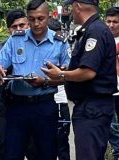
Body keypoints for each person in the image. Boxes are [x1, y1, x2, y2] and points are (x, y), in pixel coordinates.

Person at [0, 0, 70, 159]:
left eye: (41, 18)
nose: (36, 23)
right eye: (31, 19)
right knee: (11, 153)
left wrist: (45, 81)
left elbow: (68, 77)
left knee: (45, 153)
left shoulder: (60, 43)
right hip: (17, 107)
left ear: (48, 16)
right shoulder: (16, 40)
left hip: (45, 106)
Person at [42, 0, 117, 159]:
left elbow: (88, 72)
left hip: (93, 108)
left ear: (78, 6)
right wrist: (51, 79)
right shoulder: (89, 30)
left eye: (70, 7)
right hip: (88, 106)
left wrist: (61, 74)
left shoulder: (95, 31)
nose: (70, 12)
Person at [0, 9, 29, 159]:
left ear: (28, 25)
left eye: (22, 25)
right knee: (7, 147)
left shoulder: (38, 44)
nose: (19, 29)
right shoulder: (1, 48)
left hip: (35, 104)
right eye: (14, 26)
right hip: (8, 102)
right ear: (9, 29)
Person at [105, 6, 119, 160]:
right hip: (107, 91)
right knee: (110, 127)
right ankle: (118, 154)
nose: (111, 25)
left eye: (115, 22)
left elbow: (113, 54)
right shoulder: (101, 37)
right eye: (108, 21)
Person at [48, 18, 71, 160]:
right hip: (43, 100)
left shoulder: (63, 45)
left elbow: (68, 68)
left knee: (62, 140)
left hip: (60, 100)